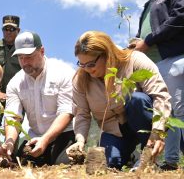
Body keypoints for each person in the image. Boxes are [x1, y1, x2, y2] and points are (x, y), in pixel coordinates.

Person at [66, 31, 172, 170]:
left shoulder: (134, 60)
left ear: (107, 54)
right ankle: (130, 155)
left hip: (141, 119)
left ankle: (149, 157)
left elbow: (160, 96)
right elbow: (82, 113)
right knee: (109, 164)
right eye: (82, 64)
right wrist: (80, 140)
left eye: (91, 64)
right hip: (114, 130)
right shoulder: (80, 80)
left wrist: (157, 131)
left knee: (137, 100)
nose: (87, 70)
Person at [0, 31, 75, 166]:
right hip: (34, 137)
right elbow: (13, 117)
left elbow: (66, 112)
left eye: (29, 56)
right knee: (20, 166)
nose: (25, 62)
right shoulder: (15, 83)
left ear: (42, 51)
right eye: (21, 57)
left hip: (64, 134)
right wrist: (9, 142)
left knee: (63, 166)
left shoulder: (64, 73)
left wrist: (45, 139)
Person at [130, 0, 184, 170]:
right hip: (156, 64)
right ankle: (170, 161)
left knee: (181, 110)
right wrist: (137, 42)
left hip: (174, 57)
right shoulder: (149, 3)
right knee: (169, 114)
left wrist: (148, 41)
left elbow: (179, 17)